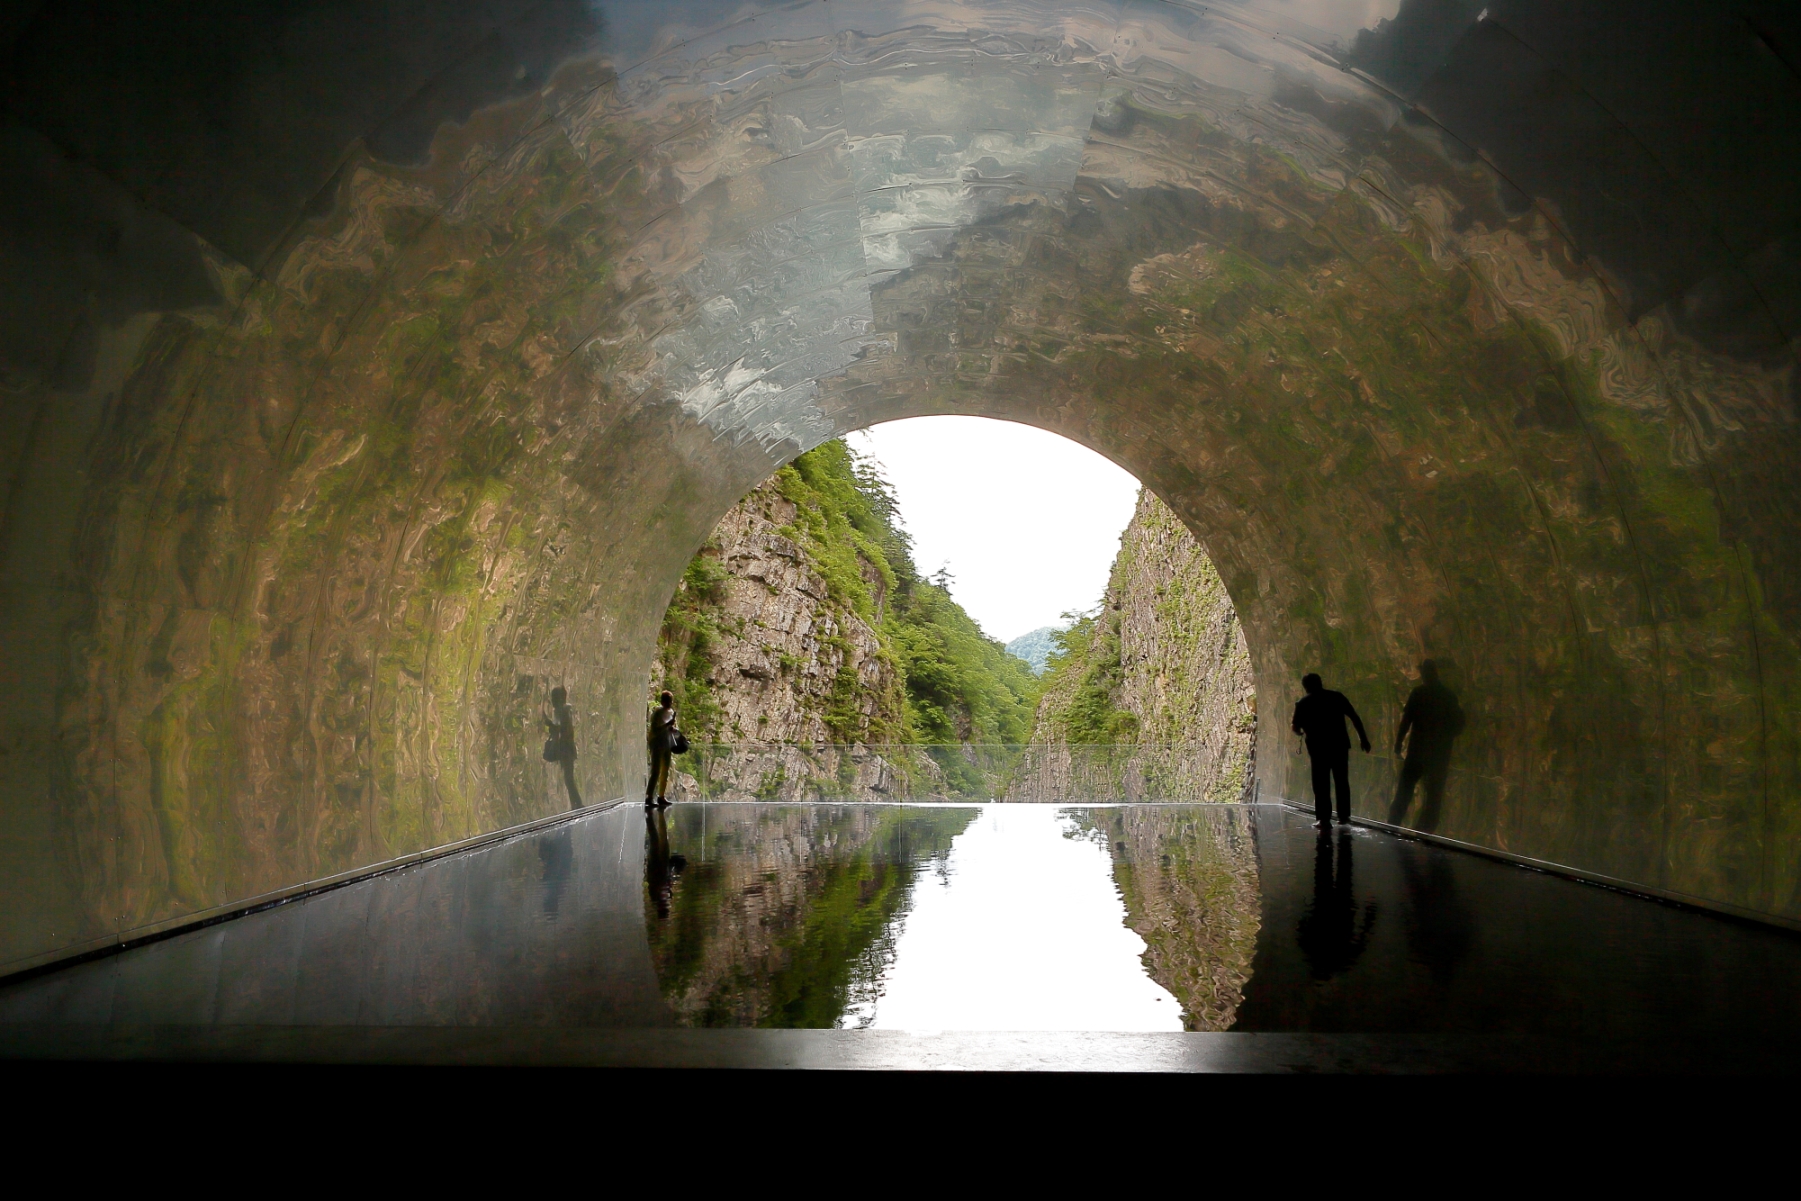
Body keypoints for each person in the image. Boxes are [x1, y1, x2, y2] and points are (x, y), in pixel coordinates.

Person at [1388, 659, 1465, 833]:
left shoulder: (1419, 693)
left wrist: (1399, 743)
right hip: (1438, 755)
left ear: (1425, 674)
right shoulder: (1449, 696)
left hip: (1417, 752)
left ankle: (1393, 824)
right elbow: (1459, 724)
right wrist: (1445, 740)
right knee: (1434, 795)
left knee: (1404, 790)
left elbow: (1406, 720)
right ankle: (1426, 830)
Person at [1291, 672, 1370, 828]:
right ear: (1320, 682)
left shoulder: (1303, 703)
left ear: (1306, 687)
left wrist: (1300, 732)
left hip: (1318, 749)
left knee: (1321, 783)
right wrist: (1363, 738)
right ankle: (1344, 816)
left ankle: (1324, 819)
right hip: (1339, 745)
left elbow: (1295, 726)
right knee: (1341, 781)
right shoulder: (1337, 697)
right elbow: (1354, 716)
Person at [543, 685, 581, 809]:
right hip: (565, 748)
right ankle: (575, 804)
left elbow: (563, 729)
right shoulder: (561, 711)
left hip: (566, 749)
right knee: (567, 778)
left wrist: (550, 724)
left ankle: (577, 804)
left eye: (554, 698)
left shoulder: (564, 711)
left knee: (569, 778)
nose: (552, 702)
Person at [645, 689, 677, 807]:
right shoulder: (657, 712)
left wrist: (672, 728)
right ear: (663, 701)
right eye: (668, 701)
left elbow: (668, 728)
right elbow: (655, 729)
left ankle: (661, 796)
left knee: (665, 771)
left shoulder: (670, 712)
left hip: (666, 743)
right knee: (656, 771)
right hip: (657, 743)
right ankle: (649, 796)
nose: (670, 703)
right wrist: (668, 725)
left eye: (670, 701)